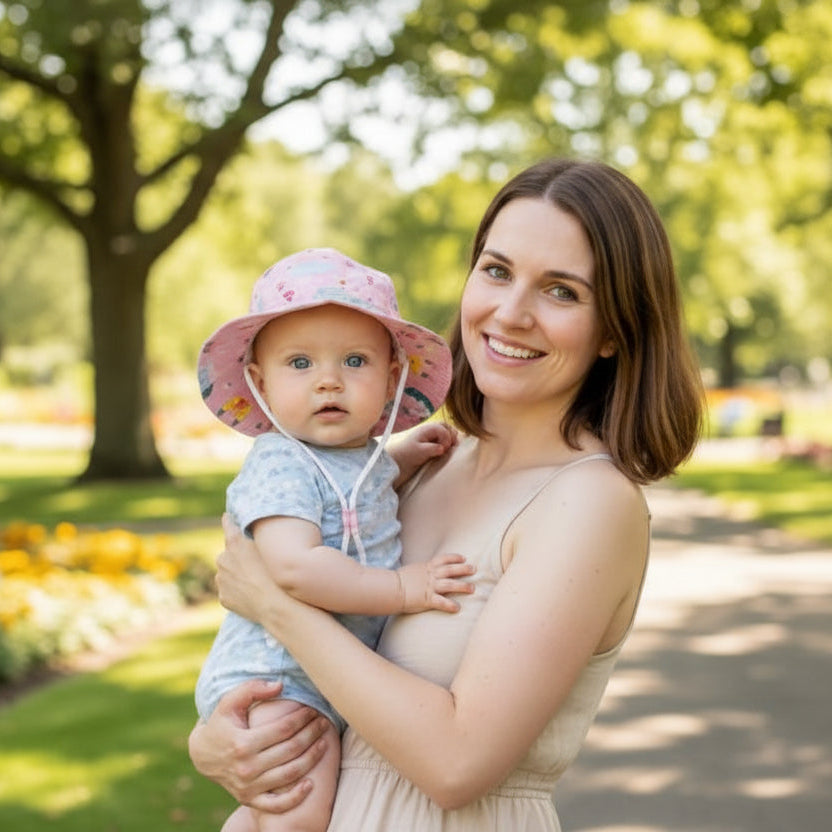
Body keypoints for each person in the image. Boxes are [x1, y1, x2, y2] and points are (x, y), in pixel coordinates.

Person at [189, 158, 704, 831]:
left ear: (614, 330)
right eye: (496, 271)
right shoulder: (422, 466)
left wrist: (277, 605)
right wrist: (218, 743)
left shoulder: (590, 503)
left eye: (561, 292)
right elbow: (313, 676)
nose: (510, 313)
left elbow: (458, 763)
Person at [194, 247, 476, 832]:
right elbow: (296, 568)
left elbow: (352, 499)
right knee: (297, 812)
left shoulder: (359, 458)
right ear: (259, 381)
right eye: (299, 363)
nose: (328, 380)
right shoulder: (280, 463)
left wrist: (400, 460)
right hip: (278, 679)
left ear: (392, 378)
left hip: (317, 670)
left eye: (354, 360)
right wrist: (403, 588)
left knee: (274, 811)